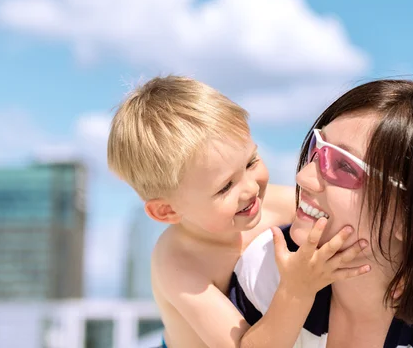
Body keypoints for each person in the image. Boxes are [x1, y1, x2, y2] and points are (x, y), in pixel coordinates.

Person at [230, 79, 413, 347]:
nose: (304, 177)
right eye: (317, 149)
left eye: (344, 166)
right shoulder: (271, 265)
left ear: (412, 217)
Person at [107, 75, 371, 348]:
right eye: (225, 188)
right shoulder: (178, 261)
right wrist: (298, 289)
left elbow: (344, 223)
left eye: (251, 162)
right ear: (167, 211)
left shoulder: (275, 205)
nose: (249, 189)